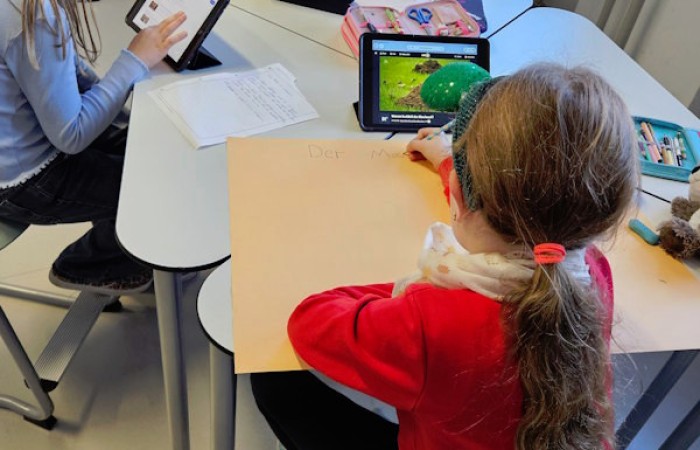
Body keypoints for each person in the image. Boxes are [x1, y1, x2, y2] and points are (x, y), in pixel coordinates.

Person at [251, 63, 640, 450]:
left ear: (459, 196)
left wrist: (420, 287)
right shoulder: (593, 271)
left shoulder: (427, 322)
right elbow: (529, 206)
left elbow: (311, 322)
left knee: (274, 382)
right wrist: (447, 163)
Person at [0, 0, 187, 294]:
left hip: (26, 143)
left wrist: (121, 111)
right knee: (161, 190)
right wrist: (135, 60)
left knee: (151, 149)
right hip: (22, 181)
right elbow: (71, 136)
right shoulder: (33, 15)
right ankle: (87, 265)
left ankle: (119, 244)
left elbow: (63, 71)